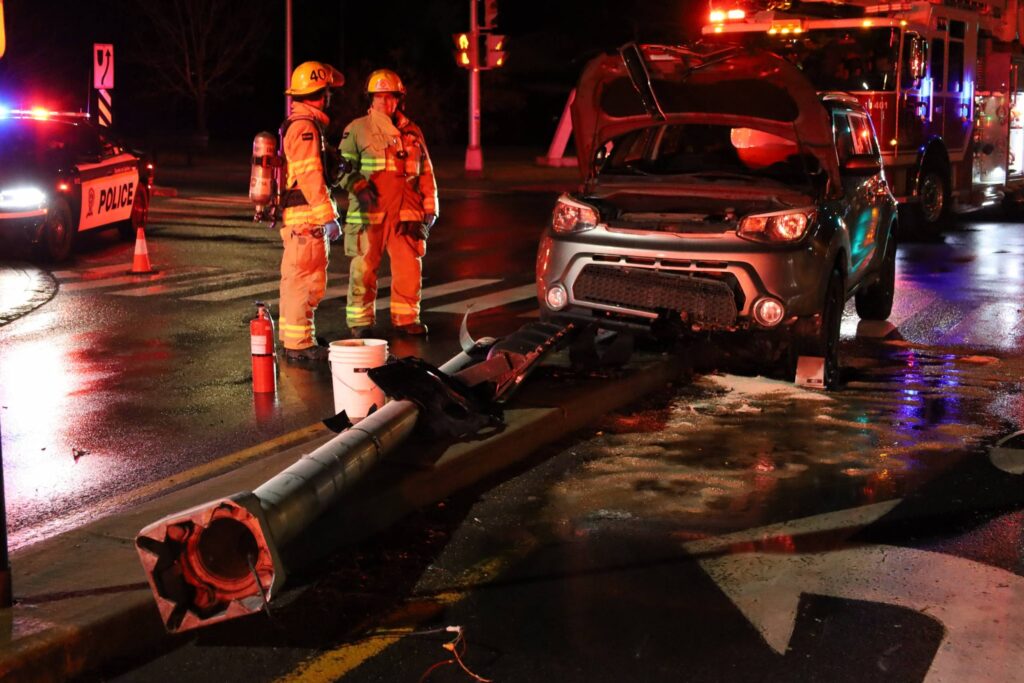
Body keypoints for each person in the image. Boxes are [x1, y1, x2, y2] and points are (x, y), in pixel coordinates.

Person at [338, 68, 438, 338]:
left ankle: (406, 319)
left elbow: (426, 171)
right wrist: (358, 186)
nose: (385, 102)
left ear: (399, 100)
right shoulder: (357, 129)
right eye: (379, 97)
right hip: (369, 212)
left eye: (390, 97)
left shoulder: (412, 131)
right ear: (371, 100)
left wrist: (430, 207)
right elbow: (342, 168)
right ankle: (360, 322)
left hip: (406, 213)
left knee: (409, 268)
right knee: (364, 268)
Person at [279, 61, 344, 361]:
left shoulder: (308, 126)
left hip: (305, 218)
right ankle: (298, 345)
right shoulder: (305, 129)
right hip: (306, 217)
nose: (330, 95)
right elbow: (309, 177)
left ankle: (301, 335)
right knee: (303, 280)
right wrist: (327, 216)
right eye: (328, 90)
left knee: (308, 280)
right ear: (320, 92)